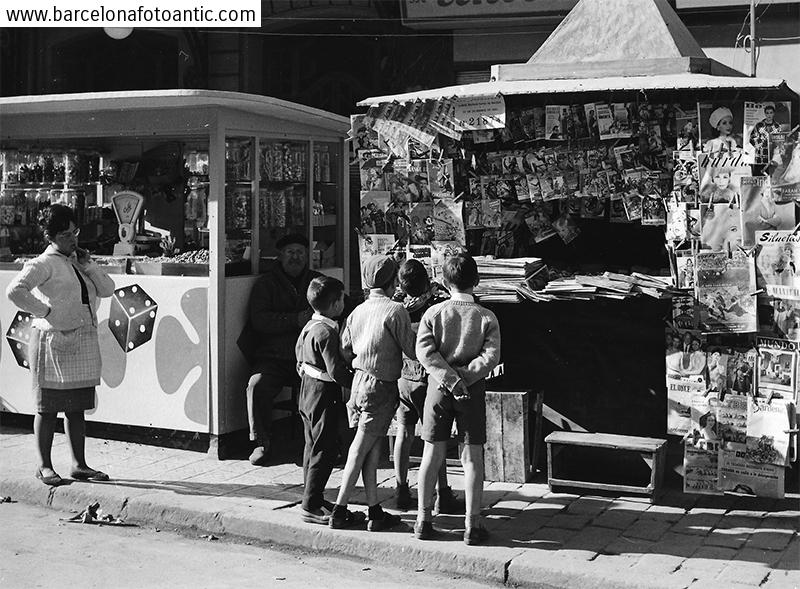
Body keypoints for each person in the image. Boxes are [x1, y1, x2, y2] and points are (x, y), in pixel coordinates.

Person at [6, 204, 115, 486]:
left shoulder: (77, 261)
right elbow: (15, 291)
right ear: (51, 236)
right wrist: (45, 312)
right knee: (47, 407)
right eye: (66, 235)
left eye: (74, 232)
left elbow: (107, 289)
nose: (73, 239)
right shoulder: (43, 264)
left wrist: (88, 264)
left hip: (80, 341)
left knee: (76, 407)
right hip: (52, 342)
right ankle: (44, 466)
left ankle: (79, 464)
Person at [414, 253, 501, 545]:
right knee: (471, 457)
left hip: (438, 389)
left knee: (431, 453)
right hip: (471, 390)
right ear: (477, 281)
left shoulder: (433, 314)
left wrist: (449, 380)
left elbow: (425, 353)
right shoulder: (486, 317)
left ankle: (423, 520)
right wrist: (464, 378)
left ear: (443, 281)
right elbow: (491, 356)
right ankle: (472, 526)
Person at [329, 255, 416, 531]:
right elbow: (411, 349)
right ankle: (339, 509)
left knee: (370, 448)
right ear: (393, 283)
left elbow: (345, 347)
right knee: (360, 448)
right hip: (380, 385)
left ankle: (374, 510)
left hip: (358, 382)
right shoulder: (396, 310)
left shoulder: (357, 311)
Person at [391, 260, 464, 514]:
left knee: (404, 432)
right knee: (435, 438)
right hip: (427, 377)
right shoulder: (435, 306)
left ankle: (401, 489)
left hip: (403, 377)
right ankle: (442, 492)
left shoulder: (397, 305)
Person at [244, 234, 321, 465]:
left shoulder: (317, 282)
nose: (295, 257)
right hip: (274, 357)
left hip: (309, 358)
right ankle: (261, 442)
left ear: (307, 256)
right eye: (290, 252)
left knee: (324, 390)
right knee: (256, 386)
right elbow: (259, 320)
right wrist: (293, 320)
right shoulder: (266, 284)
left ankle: (321, 444)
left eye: (299, 252)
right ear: (280, 256)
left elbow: (339, 303)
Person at [295, 276, 358, 526]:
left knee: (311, 446)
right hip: (324, 393)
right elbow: (336, 371)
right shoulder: (327, 332)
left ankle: (312, 497)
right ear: (334, 305)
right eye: (342, 298)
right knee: (326, 448)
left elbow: (298, 356)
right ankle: (311, 505)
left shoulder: (310, 326)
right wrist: (357, 382)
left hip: (307, 391)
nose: (344, 302)